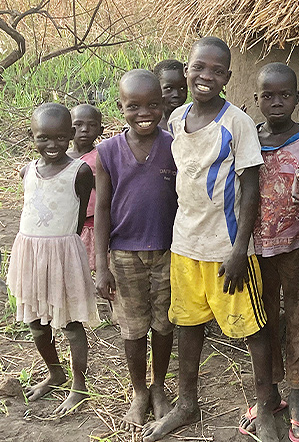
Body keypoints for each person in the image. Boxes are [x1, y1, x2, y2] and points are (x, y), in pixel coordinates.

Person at [141, 37, 278, 442]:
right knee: (188, 324)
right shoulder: (176, 119)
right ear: (187, 70)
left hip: (227, 249)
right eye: (199, 67)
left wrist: (239, 251)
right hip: (185, 245)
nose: (206, 76)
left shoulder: (236, 123)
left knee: (252, 329)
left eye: (217, 71)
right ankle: (187, 403)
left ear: (228, 78)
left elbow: (251, 189)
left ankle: (265, 408)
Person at [93, 70, 178, 427]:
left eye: (153, 105)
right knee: (132, 327)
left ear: (163, 105)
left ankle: (159, 387)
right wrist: (101, 265)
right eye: (134, 106)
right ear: (120, 107)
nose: (144, 113)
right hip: (124, 253)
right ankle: (139, 391)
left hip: (168, 251)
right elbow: (101, 208)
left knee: (164, 323)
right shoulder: (108, 152)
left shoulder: (174, 146)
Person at [237, 62, 299, 442]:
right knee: (263, 320)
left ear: (297, 98)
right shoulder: (247, 140)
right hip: (256, 249)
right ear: (256, 99)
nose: (276, 102)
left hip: (298, 246)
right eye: (268, 96)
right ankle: (268, 393)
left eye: (285, 95)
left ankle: (298, 394)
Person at [7, 103, 97, 415]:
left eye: (60, 137)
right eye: (43, 138)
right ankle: (55, 374)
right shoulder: (27, 171)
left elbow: (79, 217)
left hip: (62, 255)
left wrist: (61, 247)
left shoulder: (80, 172)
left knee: (70, 323)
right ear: (31, 136)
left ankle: (79, 386)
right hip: (30, 256)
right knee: (35, 321)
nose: (52, 145)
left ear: (70, 134)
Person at [69, 103, 103, 271]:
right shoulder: (61, 157)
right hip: (68, 219)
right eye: (78, 124)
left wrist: (90, 180)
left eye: (92, 125)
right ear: (69, 129)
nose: (84, 130)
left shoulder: (101, 156)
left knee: (93, 263)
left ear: (101, 130)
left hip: (92, 220)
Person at [153, 59, 187, 131]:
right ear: (156, 87)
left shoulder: (190, 120)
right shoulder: (151, 122)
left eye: (182, 88)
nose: (176, 94)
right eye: (169, 88)